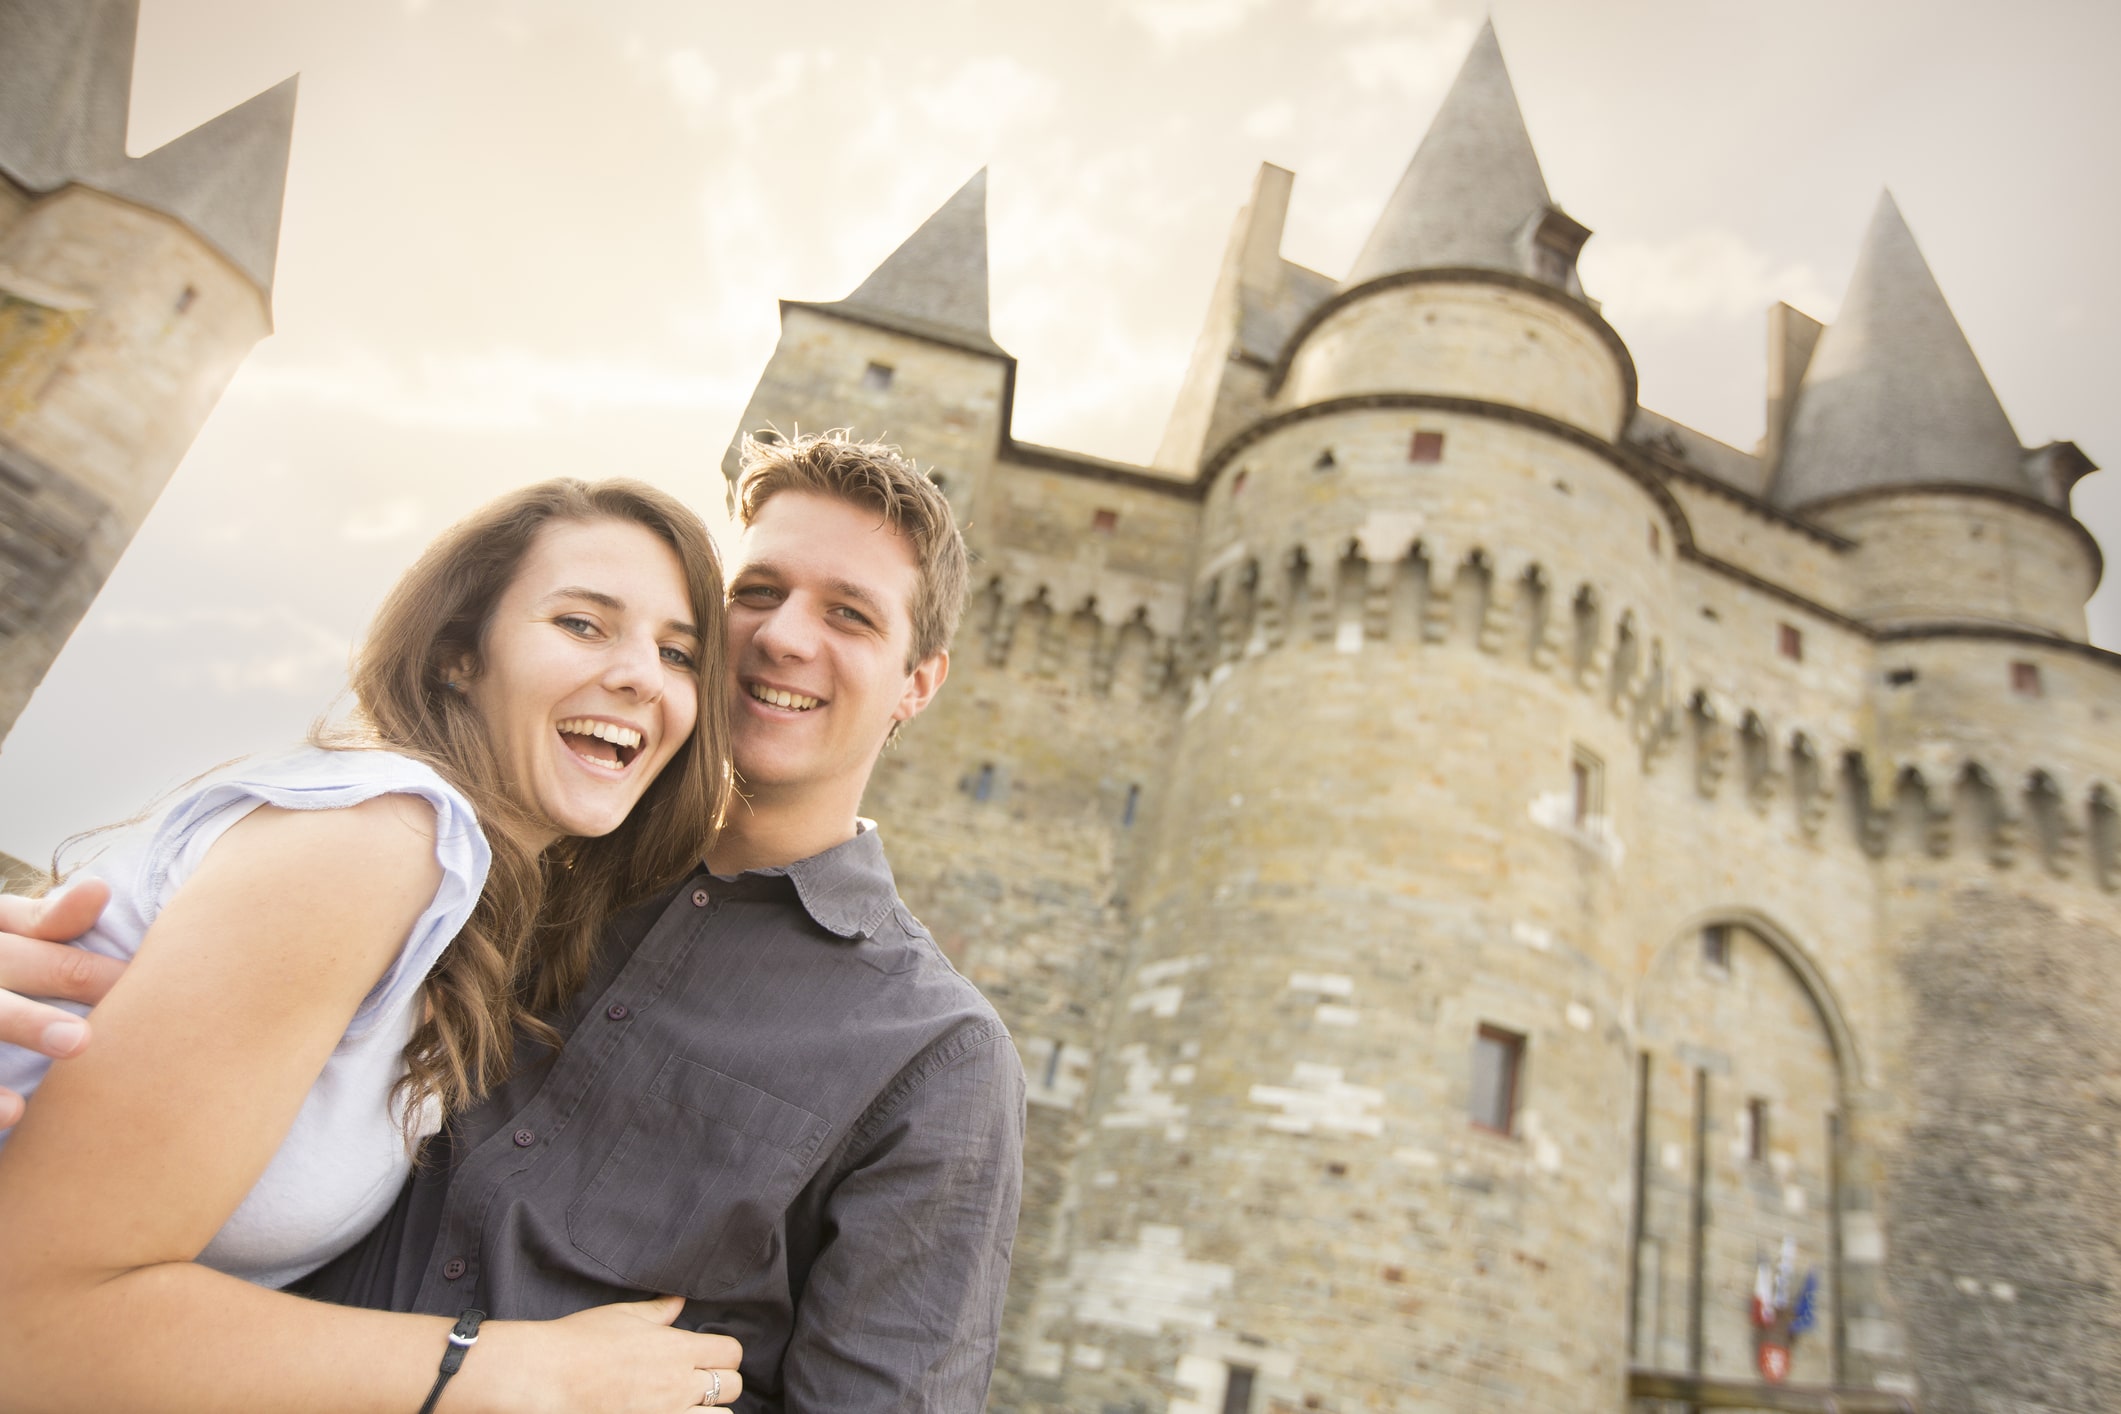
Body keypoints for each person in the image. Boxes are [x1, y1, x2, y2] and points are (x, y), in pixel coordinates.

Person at [0, 434, 1027, 1411]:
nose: (785, 636)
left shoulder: (935, 1054)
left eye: (852, 615)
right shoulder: (480, 862)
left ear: (918, 684)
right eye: (754, 593)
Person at [0, 478, 746, 1413]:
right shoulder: (380, 837)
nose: (642, 674)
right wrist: (527, 1372)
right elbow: (26, 1326)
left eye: (678, 653)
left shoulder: (471, 910)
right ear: (455, 657)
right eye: (582, 625)